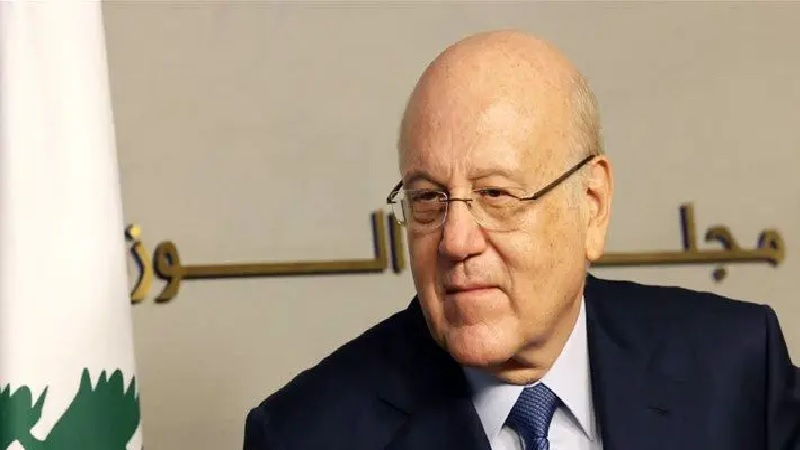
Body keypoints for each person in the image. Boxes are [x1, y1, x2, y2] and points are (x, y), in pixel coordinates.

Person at [243, 29, 800, 450]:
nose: (456, 241)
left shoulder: (738, 368)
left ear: (592, 205)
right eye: (428, 198)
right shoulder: (305, 434)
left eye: (495, 194)